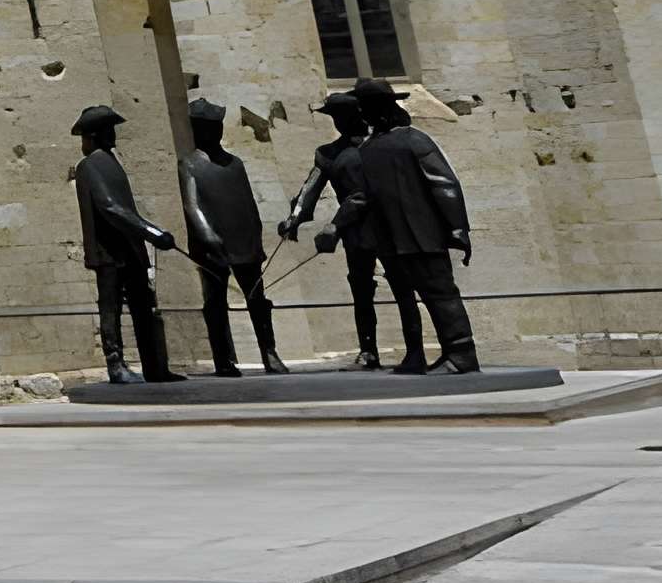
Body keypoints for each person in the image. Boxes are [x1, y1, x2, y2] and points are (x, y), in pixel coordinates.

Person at [336, 78, 478, 374]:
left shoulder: (415, 139)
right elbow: (361, 196)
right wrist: (337, 226)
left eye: (366, 108)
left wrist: (457, 228)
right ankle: (416, 354)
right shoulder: (368, 149)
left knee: (440, 295)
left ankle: (461, 353)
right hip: (388, 239)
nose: (362, 115)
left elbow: (444, 184)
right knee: (406, 298)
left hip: (421, 235)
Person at [279, 90, 420, 370]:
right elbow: (310, 188)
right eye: (336, 118)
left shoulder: (379, 145)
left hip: (387, 227)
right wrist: (295, 218)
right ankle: (368, 350)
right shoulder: (329, 153)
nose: (340, 123)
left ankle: (415, 349)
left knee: (403, 287)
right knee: (361, 289)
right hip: (355, 233)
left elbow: (367, 193)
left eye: (345, 116)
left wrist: (335, 224)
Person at [179, 98, 289, 377]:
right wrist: (207, 235)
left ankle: (269, 351)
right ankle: (223, 359)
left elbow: (248, 204)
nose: (215, 132)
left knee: (258, 299)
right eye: (208, 127)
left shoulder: (234, 164)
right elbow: (192, 206)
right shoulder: (189, 164)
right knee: (215, 302)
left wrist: (256, 237)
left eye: (216, 126)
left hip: (243, 241)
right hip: (212, 244)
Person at [72, 104, 181, 383]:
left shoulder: (110, 162)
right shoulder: (90, 165)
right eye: (109, 130)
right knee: (110, 307)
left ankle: (155, 366)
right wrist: (153, 233)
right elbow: (110, 207)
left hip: (129, 248)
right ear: (96, 134)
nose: (114, 135)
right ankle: (115, 363)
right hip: (108, 251)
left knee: (143, 305)